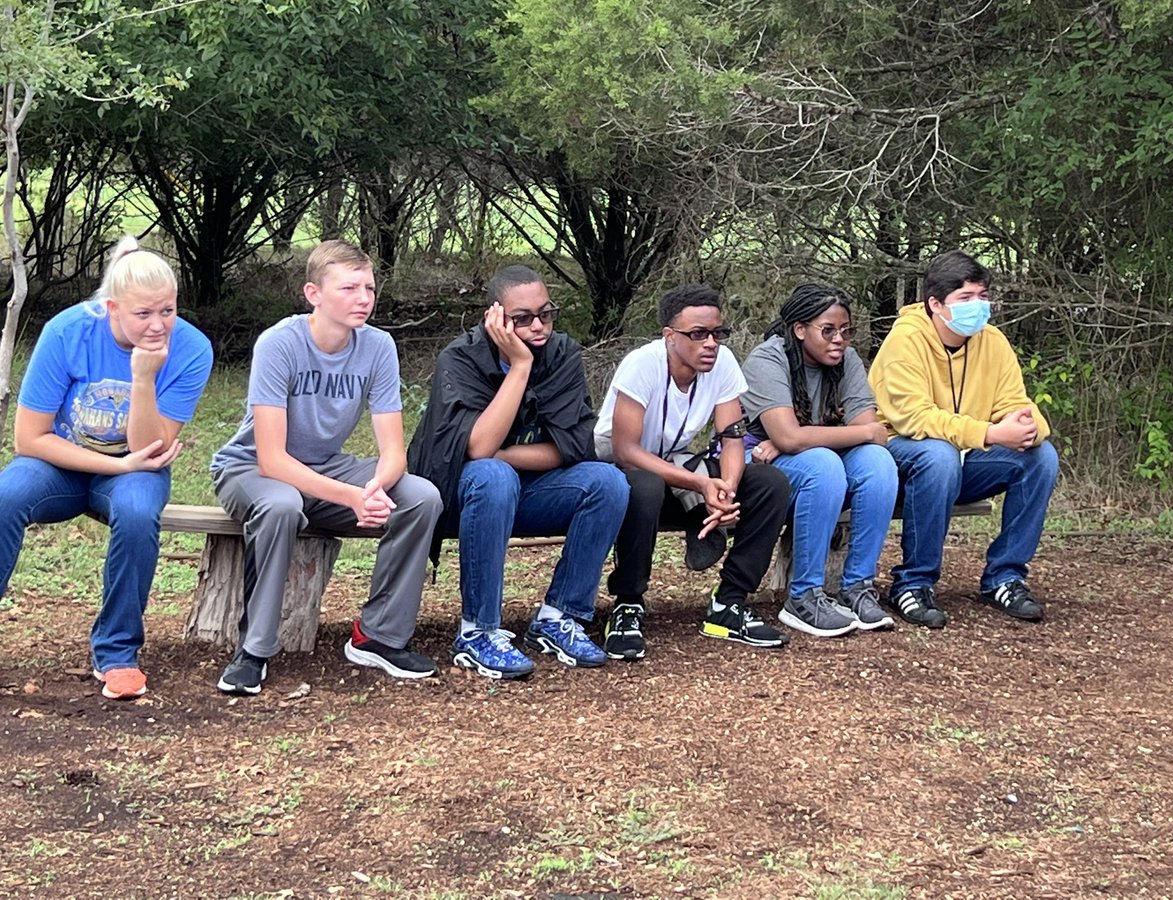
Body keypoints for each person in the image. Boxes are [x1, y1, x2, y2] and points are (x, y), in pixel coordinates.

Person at [211, 240, 442, 695]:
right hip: (252, 468)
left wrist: (374, 487)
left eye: (370, 288)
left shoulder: (377, 346)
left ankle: (379, 636)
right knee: (280, 505)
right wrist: (351, 497)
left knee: (421, 498)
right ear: (313, 294)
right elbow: (271, 457)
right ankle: (253, 650)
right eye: (350, 288)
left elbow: (394, 451)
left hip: (327, 469)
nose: (363, 299)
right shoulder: (280, 343)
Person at [0, 236, 213, 700]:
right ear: (113, 307)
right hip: (61, 463)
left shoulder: (192, 349)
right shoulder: (67, 331)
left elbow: (150, 447)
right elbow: (29, 439)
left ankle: (116, 652)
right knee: (5, 495)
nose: (158, 326)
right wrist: (112, 466)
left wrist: (142, 377)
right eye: (143, 314)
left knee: (138, 513)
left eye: (168, 311)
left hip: (138, 467)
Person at [408, 265, 628, 680]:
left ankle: (558, 617)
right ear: (496, 317)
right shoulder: (460, 357)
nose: (539, 326)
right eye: (522, 318)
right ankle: (478, 631)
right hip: (461, 497)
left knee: (607, 482)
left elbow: (571, 449)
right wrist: (521, 366)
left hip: (526, 491)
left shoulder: (563, 354)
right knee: (492, 476)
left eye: (546, 313)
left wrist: (506, 455)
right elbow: (477, 449)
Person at [594, 283, 792, 660]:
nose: (711, 343)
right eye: (698, 334)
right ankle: (628, 605)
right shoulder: (642, 364)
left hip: (678, 460)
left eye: (717, 333)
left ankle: (729, 603)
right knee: (646, 485)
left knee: (769, 483)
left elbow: (732, 437)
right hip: (622, 465)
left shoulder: (724, 363)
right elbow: (626, 449)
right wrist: (701, 483)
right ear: (670, 337)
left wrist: (727, 490)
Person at [869, 250, 1058, 628]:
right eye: (966, 298)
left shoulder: (993, 342)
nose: (978, 306)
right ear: (936, 304)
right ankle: (913, 582)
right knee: (936, 455)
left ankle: (1005, 578)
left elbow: (1015, 402)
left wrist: (1029, 426)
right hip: (899, 462)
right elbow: (913, 418)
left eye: (983, 297)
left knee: (1041, 457)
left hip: (964, 458)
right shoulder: (904, 342)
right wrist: (989, 432)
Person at [740, 283, 899, 637]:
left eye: (845, 330)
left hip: (801, 452)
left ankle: (857, 587)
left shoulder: (848, 361)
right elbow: (791, 436)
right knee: (824, 465)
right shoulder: (768, 359)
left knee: (878, 463)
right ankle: (804, 597)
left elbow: (871, 432)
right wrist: (792, 440)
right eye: (827, 330)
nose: (839, 339)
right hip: (758, 461)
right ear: (800, 330)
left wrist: (794, 439)